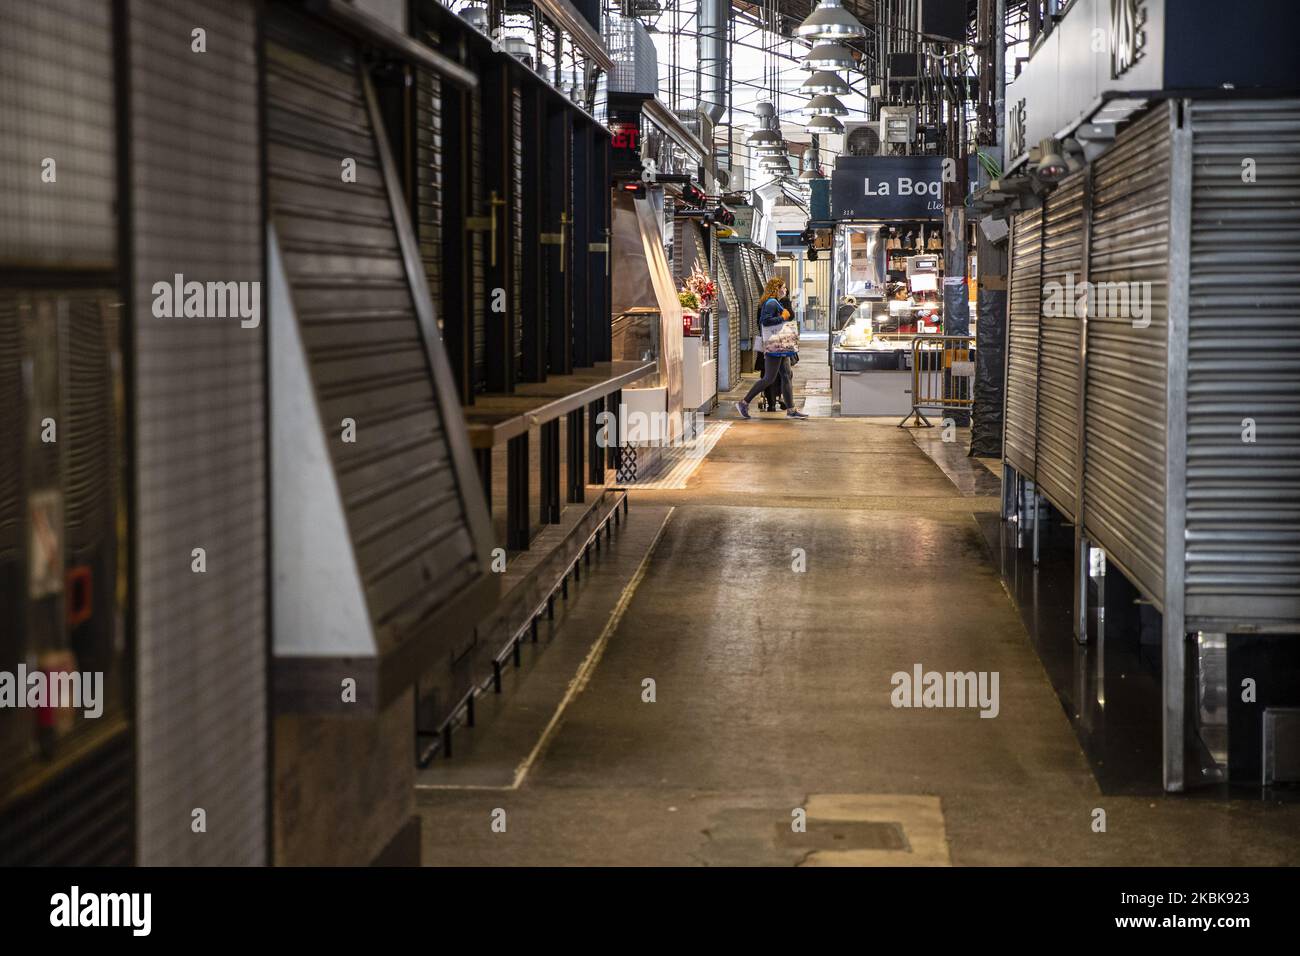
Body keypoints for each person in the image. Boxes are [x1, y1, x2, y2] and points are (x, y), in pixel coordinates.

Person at [737, 278, 808, 420]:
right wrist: (782, 317)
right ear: (776, 288)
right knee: (769, 378)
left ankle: (791, 410)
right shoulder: (771, 302)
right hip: (775, 345)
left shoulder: (775, 302)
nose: (785, 290)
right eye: (783, 287)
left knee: (787, 375)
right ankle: (744, 403)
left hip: (781, 346)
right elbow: (765, 321)